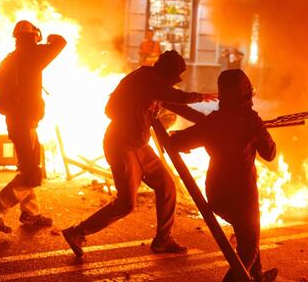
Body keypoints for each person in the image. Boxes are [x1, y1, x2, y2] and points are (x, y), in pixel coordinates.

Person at [62, 50, 217, 257]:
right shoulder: (145, 79)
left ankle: (163, 239)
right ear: (166, 71)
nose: (173, 82)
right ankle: (77, 232)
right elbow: (178, 97)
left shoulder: (156, 85)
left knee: (167, 186)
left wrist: (211, 123)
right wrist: (202, 96)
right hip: (121, 146)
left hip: (139, 146)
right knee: (126, 204)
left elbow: (180, 107)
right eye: (173, 76)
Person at [170, 69, 278, 282]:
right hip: (242, 195)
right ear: (246, 93)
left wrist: (177, 140)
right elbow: (270, 153)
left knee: (248, 236)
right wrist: (261, 129)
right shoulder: (250, 121)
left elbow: (181, 141)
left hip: (217, 194)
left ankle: (256, 276)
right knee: (248, 248)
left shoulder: (214, 121)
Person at [0, 20, 67, 233]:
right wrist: (49, 38)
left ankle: (30, 213)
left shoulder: (9, 60)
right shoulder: (31, 54)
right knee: (30, 172)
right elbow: (60, 43)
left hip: (19, 121)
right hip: (24, 122)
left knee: (32, 167)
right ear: (33, 36)